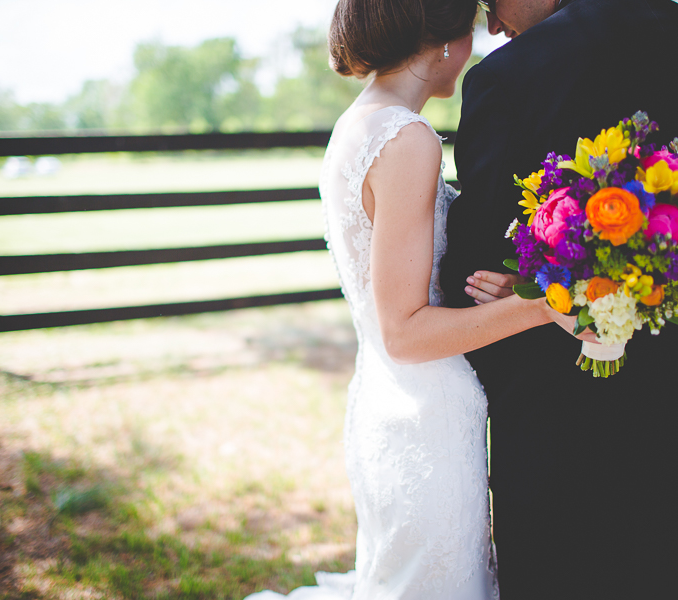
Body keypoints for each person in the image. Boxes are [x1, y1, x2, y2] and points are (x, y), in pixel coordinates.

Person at [245, 0, 594, 598]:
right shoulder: (407, 139)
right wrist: (541, 305)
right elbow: (405, 332)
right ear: (446, 42)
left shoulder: (359, 123)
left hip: (384, 399)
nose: (483, 38)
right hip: (424, 414)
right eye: (473, 24)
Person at [438, 0, 678, 598]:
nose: (492, 23)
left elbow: (476, 270)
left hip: (556, 430)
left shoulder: (508, 75)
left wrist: (550, 301)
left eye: (493, 2)